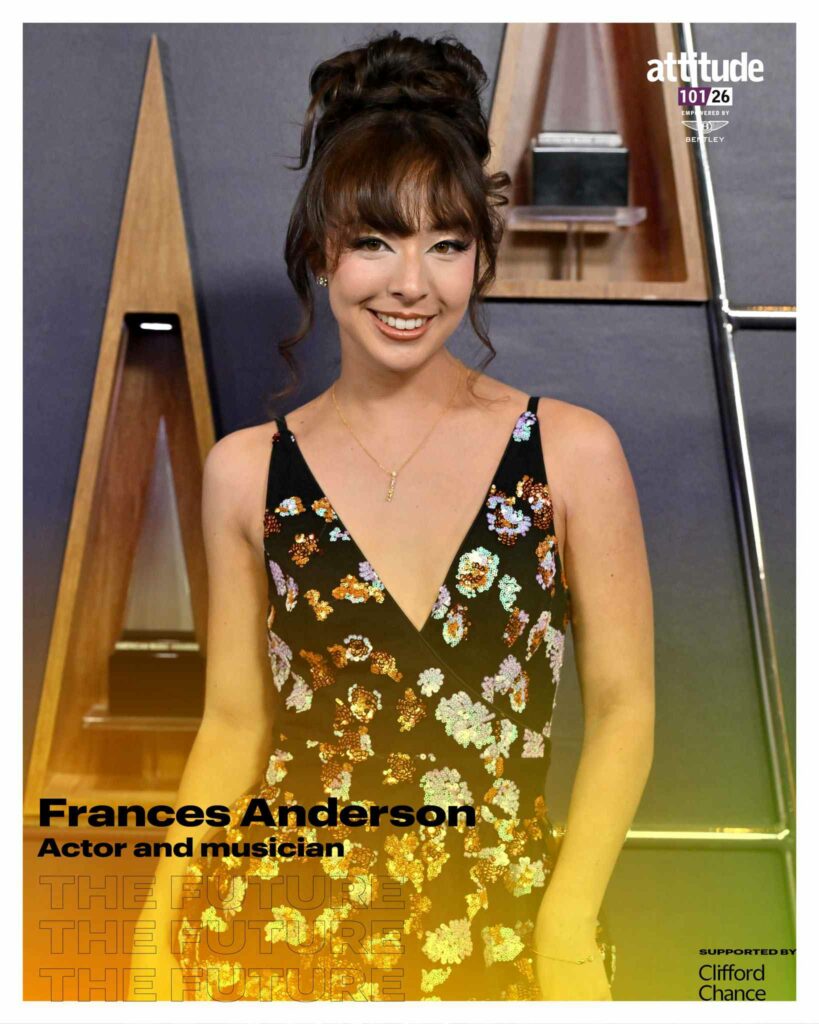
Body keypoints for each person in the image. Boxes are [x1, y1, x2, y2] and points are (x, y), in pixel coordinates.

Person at [130, 30, 654, 1002]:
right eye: (375, 240)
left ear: (478, 257)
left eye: (445, 244)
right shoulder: (246, 473)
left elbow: (625, 710)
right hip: (280, 935)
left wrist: (567, 924)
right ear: (321, 250)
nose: (411, 282)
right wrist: (157, 928)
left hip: (505, 933)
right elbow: (235, 723)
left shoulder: (571, 453)